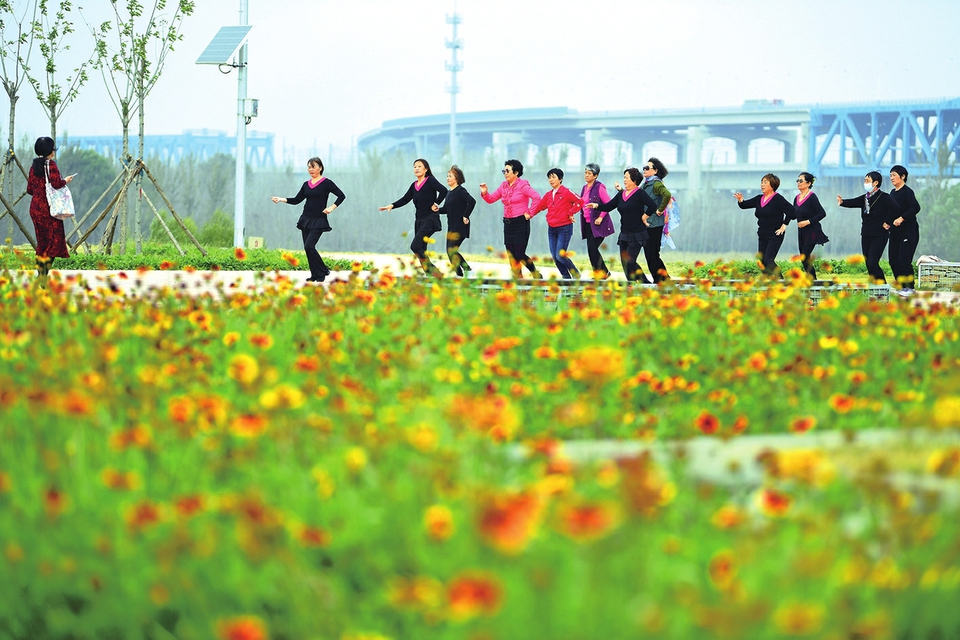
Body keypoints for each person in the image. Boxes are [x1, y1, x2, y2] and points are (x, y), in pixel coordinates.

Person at [271, 157, 345, 283]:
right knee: (307, 248)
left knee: (309, 245)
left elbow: (341, 196)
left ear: (320, 168)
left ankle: (323, 270)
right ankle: (316, 274)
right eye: (309, 167)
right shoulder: (306, 184)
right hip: (306, 219)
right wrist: (281, 199)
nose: (311, 169)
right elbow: (296, 200)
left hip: (319, 219)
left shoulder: (327, 183)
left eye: (314, 166)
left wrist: (331, 208)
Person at [586, 168, 657, 282]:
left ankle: (645, 283)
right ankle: (631, 284)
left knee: (630, 261)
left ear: (634, 180)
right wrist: (596, 205)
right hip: (625, 233)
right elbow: (609, 206)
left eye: (626, 177)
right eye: (624, 177)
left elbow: (652, 206)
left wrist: (645, 216)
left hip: (637, 234)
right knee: (625, 262)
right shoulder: (621, 194)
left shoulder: (640, 194)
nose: (624, 180)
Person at [380, 158, 448, 276]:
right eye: (414, 166)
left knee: (415, 246)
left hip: (430, 219)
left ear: (426, 169)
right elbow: (405, 199)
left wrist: (436, 203)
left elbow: (444, 191)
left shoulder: (430, 180)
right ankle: (431, 275)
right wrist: (392, 205)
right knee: (421, 249)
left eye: (419, 166)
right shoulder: (414, 185)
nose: (416, 168)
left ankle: (435, 273)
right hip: (419, 220)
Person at [480, 159, 542, 278]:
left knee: (519, 254)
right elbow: (491, 199)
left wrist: (530, 212)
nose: (505, 173)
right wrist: (485, 193)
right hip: (508, 224)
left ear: (516, 172)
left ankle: (536, 274)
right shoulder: (503, 186)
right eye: (504, 171)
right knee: (512, 256)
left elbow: (536, 197)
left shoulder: (522, 185)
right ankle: (519, 281)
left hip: (520, 223)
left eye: (508, 171)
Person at [838, 171, 900, 284]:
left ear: (876, 183)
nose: (865, 183)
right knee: (868, 264)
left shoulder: (884, 197)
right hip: (866, 234)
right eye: (864, 180)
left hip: (880, 235)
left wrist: (887, 222)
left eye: (867, 180)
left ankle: (883, 287)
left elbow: (896, 208)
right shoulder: (865, 198)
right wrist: (842, 202)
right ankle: (876, 288)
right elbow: (854, 202)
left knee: (872, 262)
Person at [26, 136, 73, 284]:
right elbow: (57, 184)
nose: (54, 151)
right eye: (52, 148)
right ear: (49, 151)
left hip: (35, 209)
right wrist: (66, 180)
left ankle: (40, 275)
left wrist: (39, 191)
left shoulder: (34, 167)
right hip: (50, 210)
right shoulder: (51, 165)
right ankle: (42, 277)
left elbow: (29, 189)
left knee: (42, 243)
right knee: (53, 242)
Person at [734, 173, 794, 277]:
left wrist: (784, 225)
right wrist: (740, 200)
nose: (762, 184)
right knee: (762, 262)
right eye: (761, 182)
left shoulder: (778, 199)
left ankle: (782, 283)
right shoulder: (759, 198)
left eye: (765, 182)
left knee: (769, 261)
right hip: (762, 234)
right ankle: (768, 284)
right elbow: (744, 205)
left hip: (775, 234)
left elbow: (792, 211)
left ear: (772, 185)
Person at [530, 168, 583, 279]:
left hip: (564, 228)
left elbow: (580, 201)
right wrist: (529, 214)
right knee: (555, 256)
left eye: (553, 177)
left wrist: (571, 212)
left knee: (560, 255)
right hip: (552, 229)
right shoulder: (549, 195)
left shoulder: (566, 192)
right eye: (549, 177)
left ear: (560, 179)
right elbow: (540, 206)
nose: (551, 180)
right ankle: (566, 278)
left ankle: (576, 275)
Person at [434, 165, 476, 276]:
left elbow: (472, 202)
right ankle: (459, 274)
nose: (447, 178)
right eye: (447, 176)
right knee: (449, 251)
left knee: (451, 250)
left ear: (457, 178)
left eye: (450, 176)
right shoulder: (449, 193)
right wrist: (436, 210)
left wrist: (466, 215)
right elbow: (446, 209)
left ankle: (468, 270)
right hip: (451, 226)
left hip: (461, 225)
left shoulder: (461, 191)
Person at [887, 165, 921, 295]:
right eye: (890, 175)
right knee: (893, 260)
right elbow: (890, 211)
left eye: (894, 175)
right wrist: (886, 222)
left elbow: (915, 208)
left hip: (909, 232)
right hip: (895, 232)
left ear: (903, 176)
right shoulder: (892, 193)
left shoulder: (907, 192)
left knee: (903, 260)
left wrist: (901, 218)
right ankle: (901, 287)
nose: (891, 178)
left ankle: (910, 288)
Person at [579, 163, 614, 279]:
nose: (586, 175)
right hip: (588, 224)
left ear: (595, 175)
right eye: (585, 173)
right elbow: (581, 204)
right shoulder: (584, 188)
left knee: (592, 248)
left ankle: (603, 273)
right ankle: (599, 273)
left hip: (599, 224)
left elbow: (608, 204)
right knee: (590, 250)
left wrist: (600, 217)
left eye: (589, 173)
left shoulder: (599, 187)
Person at [639, 157, 672, 283]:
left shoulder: (656, 183)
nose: (644, 170)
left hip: (655, 224)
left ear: (655, 171)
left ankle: (663, 279)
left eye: (647, 168)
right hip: (647, 224)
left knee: (653, 254)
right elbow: (636, 193)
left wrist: (660, 210)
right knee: (649, 254)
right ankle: (659, 279)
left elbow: (667, 194)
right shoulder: (646, 183)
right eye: (644, 168)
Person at [792, 172, 829, 280]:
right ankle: (811, 280)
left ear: (808, 183)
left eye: (801, 181)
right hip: (801, 232)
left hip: (813, 231)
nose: (798, 183)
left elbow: (822, 213)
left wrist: (808, 221)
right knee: (804, 258)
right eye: (797, 181)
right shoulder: (796, 198)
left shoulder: (812, 196)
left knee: (804, 256)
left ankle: (813, 281)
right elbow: (794, 215)